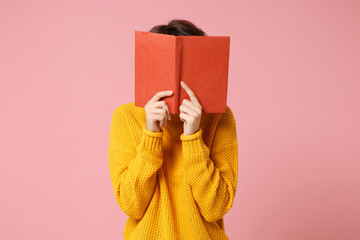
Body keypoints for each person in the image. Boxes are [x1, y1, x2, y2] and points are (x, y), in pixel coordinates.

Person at [108, 19, 238, 240]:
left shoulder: (220, 117)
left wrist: (193, 137)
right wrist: (151, 135)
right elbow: (132, 205)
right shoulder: (126, 116)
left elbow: (216, 207)